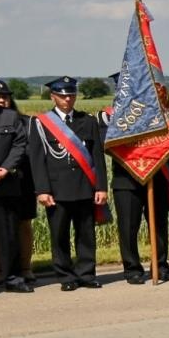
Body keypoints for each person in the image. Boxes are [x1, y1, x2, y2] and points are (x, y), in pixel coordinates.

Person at [27, 77, 109, 290]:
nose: (67, 99)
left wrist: (101, 187)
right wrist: (43, 190)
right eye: (62, 95)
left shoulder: (87, 121)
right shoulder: (41, 123)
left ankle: (87, 274)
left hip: (84, 186)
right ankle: (65, 276)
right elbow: (37, 159)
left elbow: (97, 157)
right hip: (57, 189)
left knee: (86, 234)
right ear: (53, 96)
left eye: (71, 95)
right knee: (59, 235)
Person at [100, 72, 169, 284]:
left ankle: (160, 265)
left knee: (158, 225)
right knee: (128, 227)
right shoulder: (107, 117)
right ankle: (132, 268)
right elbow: (108, 145)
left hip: (155, 175)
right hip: (126, 179)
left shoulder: (156, 114)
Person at [0, 79, 36, 286]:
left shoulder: (23, 121)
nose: (1, 100)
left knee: (17, 228)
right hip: (2, 181)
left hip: (19, 181)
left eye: (5, 97)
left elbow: (26, 148)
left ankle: (21, 269)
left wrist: (7, 168)